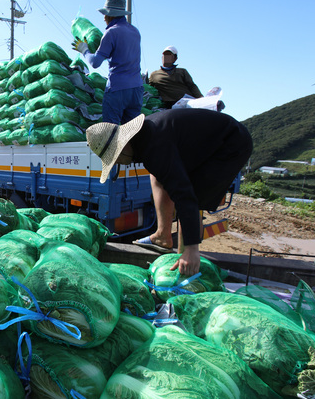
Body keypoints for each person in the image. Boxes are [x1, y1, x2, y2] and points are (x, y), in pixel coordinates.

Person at [85, 108, 252, 275]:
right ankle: (162, 236)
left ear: (122, 147)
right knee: (157, 176)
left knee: (192, 194)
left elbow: (184, 195)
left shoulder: (156, 146)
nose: (119, 164)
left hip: (231, 144)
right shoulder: (145, 139)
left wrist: (192, 248)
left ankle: (186, 255)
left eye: (116, 159)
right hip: (207, 144)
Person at [72, 0, 144, 124]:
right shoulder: (135, 31)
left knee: (111, 131)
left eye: (105, 14)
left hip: (118, 89)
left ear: (110, 15)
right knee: (132, 132)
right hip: (136, 89)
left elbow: (95, 63)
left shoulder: (111, 32)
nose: (104, 18)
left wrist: (84, 50)